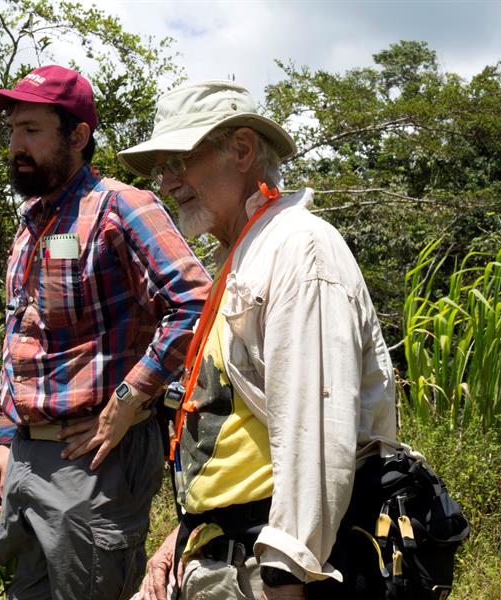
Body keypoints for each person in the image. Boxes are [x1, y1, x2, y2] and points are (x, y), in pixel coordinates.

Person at [117, 80, 397, 600]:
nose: (168, 180)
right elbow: (239, 433)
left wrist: (287, 573)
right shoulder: (244, 256)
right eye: (163, 168)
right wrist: (183, 539)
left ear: (243, 149)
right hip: (225, 554)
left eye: (180, 159)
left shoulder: (299, 250)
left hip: (271, 570)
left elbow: (317, 431)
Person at [0, 65, 212, 600]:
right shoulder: (32, 222)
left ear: (78, 136)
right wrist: (5, 437)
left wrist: (130, 398)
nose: (16, 144)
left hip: (94, 459)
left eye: (32, 130)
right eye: (12, 130)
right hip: (26, 458)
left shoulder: (122, 206)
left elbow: (195, 304)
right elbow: (24, 334)